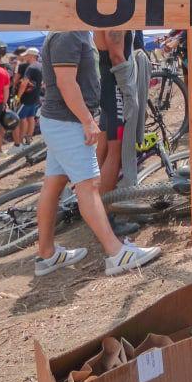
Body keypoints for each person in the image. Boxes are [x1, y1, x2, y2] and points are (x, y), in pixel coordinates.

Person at [35, 30, 161, 277]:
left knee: (54, 184)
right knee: (89, 186)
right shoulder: (68, 33)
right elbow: (65, 82)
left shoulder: (72, 30)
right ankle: (116, 252)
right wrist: (86, 120)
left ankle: (47, 253)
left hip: (61, 120)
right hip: (67, 122)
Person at [92, 30, 132, 193]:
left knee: (104, 145)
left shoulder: (104, 18)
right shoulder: (115, 20)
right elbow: (116, 56)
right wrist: (129, 91)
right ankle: (102, 204)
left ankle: (92, 197)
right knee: (116, 149)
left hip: (109, 85)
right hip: (116, 87)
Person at [13, 47, 42, 146]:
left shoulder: (31, 68)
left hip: (26, 97)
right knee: (31, 117)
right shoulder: (40, 66)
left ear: (32, 56)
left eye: (27, 55)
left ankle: (21, 142)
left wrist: (18, 97)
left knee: (22, 118)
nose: (25, 57)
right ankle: (28, 139)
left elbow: (24, 83)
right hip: (35, 96)